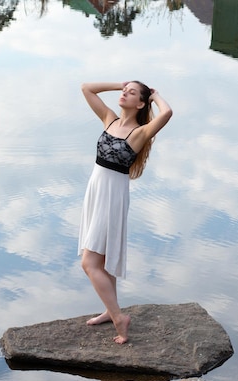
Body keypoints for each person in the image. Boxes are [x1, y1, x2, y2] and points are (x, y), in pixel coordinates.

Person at [78, 81, 173, 344]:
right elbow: (87, 88)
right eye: (124, 90)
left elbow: (166, 114)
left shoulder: (140, 132)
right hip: (96, 191)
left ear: (140, 103)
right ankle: (111, 311)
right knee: (103, 262)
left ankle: (120, 317)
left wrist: (155, 95)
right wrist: (119, 83)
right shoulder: (109, 119)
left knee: (89, 263)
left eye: (131, 92)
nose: (124, 94)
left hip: (113, 196)